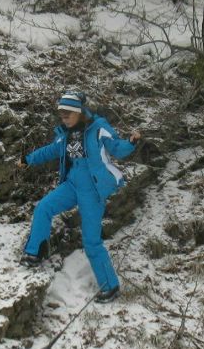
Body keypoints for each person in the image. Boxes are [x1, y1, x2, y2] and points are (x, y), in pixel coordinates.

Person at [18, 90, 141, 303]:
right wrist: (28, 159)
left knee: (91, 241)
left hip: (92, 189)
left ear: (79, 112)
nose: (64, 119)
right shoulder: (65, 135)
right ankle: (35, 252)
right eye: (61, 115)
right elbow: (50, 151)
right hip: (72, 183)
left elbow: (117, 147)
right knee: (44, 207)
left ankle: (110, 286)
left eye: (68, 114)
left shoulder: (98, 128)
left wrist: (130, 142)